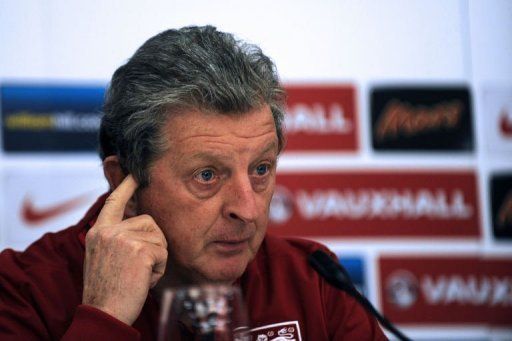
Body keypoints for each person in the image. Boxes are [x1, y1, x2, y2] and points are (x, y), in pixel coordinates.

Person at [0, 26, 387, 340]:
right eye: (207, 176)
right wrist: (105, 317)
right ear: (123, 185)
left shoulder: (313, 280)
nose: (248, 209)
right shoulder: (21, 293)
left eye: (261, 170)